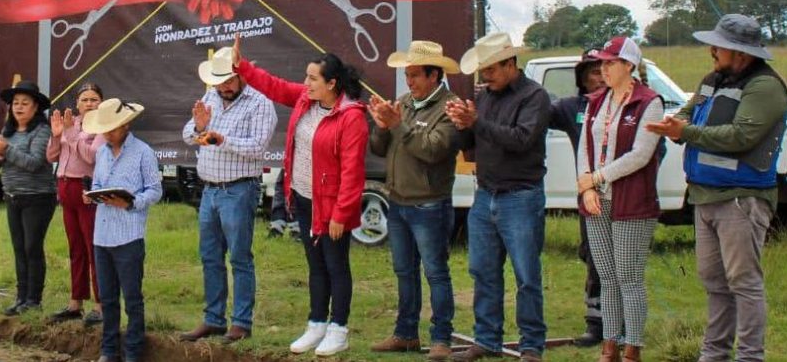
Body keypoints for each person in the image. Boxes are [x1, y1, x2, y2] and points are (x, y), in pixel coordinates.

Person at [647, 15, 787, 362]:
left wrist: (685, 133)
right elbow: (690, 110)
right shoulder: (713, 79)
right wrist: (673, 121)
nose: (711, 50)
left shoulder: (765, 87)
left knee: (743, 282)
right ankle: (714, 354)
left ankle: (750, 356)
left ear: (739, 52)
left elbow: (742, 136)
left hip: (741, 198)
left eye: (718, 45)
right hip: (704, 195)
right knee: (713, 280)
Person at [234, 35, 369, 357]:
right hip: (305, 198)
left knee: (336, 265)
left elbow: (353, 173)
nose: (305, 82)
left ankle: (339, 329)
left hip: (332, 205)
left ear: (332, 84)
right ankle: (316, 324)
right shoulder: (306, 101)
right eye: (306, 77)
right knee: (315, 264)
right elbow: (275, 86)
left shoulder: (351, 117)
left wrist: (340, 214)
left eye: (312, 78)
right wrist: (243, 67)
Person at [446, 32, 551, 362]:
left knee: (526, 275)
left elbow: (521, 139)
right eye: (482, 70)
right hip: (486, 193)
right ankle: (487, 339)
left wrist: (478, 121)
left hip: (521, 195)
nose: (484, 76)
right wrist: (463, 125)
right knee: (483, 271)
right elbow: (471, 144)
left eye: (490, 69)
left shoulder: (535, 97)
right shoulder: (487, 96)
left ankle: (532, 344)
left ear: (510, 64)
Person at [367, 40, 460, 361]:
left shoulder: (451, 107)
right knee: (404, 271)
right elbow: (380, 150)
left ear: (435, 75)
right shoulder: (404, 103)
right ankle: (406, 334)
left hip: (429, 203)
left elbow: (433, 150)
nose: (410, 82)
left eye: (416, 75)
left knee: (436, 272)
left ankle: (441, 338)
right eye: (407, 75)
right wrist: (380, 127)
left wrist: (397, 125)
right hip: (398, 201)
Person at [179, 47, 277, 344]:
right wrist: (199, 126)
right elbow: (186, 135)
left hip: (239, 189)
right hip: (209, 189)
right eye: (219, 81)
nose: (224, 87)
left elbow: (258, 146)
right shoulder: (210, 97)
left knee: (239, 258)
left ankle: (241, 323)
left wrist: (223, 139)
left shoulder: (260, 103)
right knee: (210, 257)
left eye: (229, 80)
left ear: (241, 74)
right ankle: (214, 319)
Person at [576, 37, 664, 362]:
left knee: (629, 276)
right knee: (607, 275)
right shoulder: (596, 101)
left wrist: (597, 178)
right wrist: (586, 188)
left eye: (611, 62)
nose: (604, 68)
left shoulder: (649, 102)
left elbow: (641, 154)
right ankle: (609, 343)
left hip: (631, 201)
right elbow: (585, 146)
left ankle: (633, 347)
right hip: (597, 200)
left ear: (629, 65)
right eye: (602, 62)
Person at [84, 98, 163, 362]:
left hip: (129, 234)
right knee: (107, 298)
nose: (108, 133)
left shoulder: (143, 152)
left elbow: (155, 190)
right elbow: (97, 182)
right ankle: (108, 351)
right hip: (102, 235)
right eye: (105, 129)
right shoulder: (103, 152)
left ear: (126, 125)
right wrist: (92, 196)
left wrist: (131, 202)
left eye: (113, 128)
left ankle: (133, 352)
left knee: (131, 298)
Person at [548, 48, 606, 347]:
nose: (601, 77)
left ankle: (623, 324)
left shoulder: (633, 103)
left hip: (625, 196)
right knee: (593, 258)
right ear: (582, 78)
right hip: (589, 198)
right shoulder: (572, 108)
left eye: (605, 69)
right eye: (593, 72)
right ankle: (596, 324)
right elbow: (536, 112)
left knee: (623, 262)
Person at [0, 80, 57, 315]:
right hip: (12, 196)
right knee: (19, 248)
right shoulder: (6, 132)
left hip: (38, 197)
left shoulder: (42, 131)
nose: (18, 107)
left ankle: (34, 300)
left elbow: (36, 163)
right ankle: (21, 298)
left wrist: (6, 151)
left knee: (32, 247)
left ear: (36, 107)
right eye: (15, 103)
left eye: (24, 103)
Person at [46, 81, 105, 326]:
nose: (89, 103)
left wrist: (72, 136)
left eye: (94, 99)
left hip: (86, 188)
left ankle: (100, 304)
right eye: (85, 99)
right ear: (77, 104)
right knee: (75, 247)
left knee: (93, 248)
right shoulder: (74, 123)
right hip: (65, 186)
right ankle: (75, 301)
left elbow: (93, 156)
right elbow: (51, 156)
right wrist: (57, 135)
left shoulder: (103, 126)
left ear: (101, 102)